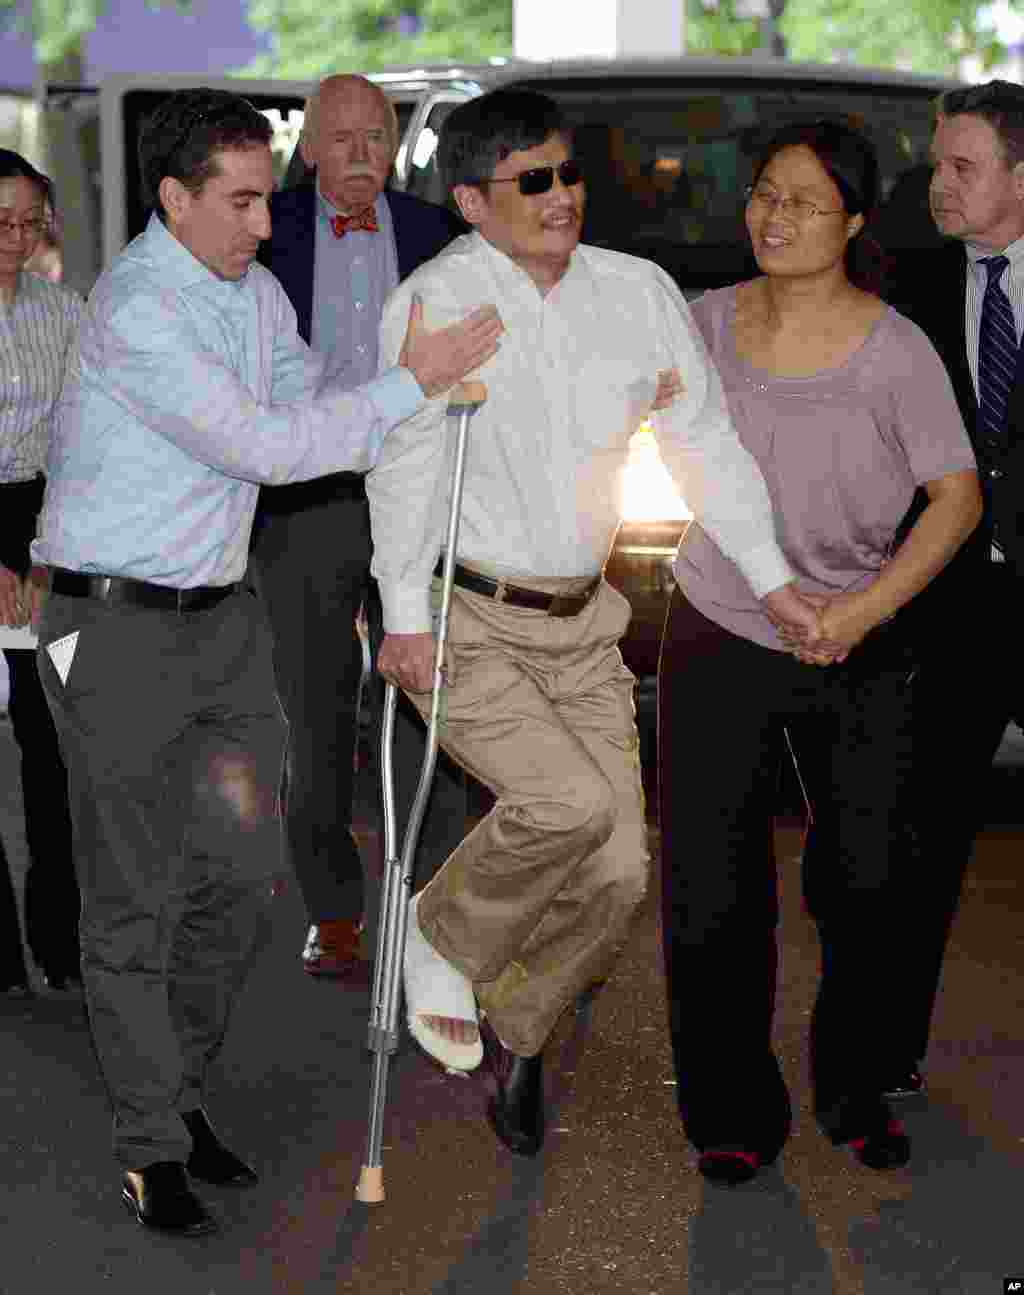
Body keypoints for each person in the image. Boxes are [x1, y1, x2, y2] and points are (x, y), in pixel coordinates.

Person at [32, 86, 501, 1238]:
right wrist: (412, 381)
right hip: (113, 628)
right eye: (240, 201)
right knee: (134, 895)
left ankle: (171, 1089)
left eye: (262, 196)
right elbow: (270, 446)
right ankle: (152, 1138)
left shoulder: (248, 289)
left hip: (221, 620)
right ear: (174, 197)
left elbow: (314, 401)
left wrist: (419, 392)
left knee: (243, 883)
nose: (262, 221)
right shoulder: (141, 308)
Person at [367, 88, 826, 1159]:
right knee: (564, 804)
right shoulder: (436, 302)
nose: (562, 195)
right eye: (533, 180)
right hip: (468, 614)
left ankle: (518, 1027)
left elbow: (705, 446)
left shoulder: (637, 292)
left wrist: (771, 582)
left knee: (619, 867)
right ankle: (435, 929)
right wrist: (401, 615)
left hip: (584, 622)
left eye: (569, 173)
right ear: (472, 201)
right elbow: (405, 464)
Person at [657, 120, 981, 1186]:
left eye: (803, 200)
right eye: (764, 193)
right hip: (722, 621)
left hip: (856, 633)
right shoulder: (702, 324)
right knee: (711, 881)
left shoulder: (896, 348)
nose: (775, 216)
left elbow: (955, 497)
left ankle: (852, 1086)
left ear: (852, 222)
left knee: (866, 877)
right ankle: (729, 1111)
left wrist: (862, 612)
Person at [251, 74, 467, 980]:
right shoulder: (264, 232)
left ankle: (435, 909)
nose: (359, 156)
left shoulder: (434, 234)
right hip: (306, 499)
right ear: (306, 150)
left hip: (414, 492)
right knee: (314, 714)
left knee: (430, 700)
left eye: (375, 138)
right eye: (340, 139)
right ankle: (334, 909)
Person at [877, 79, 1024, 1097]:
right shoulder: (907, 285)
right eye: (938, 164)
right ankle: (884, 1055)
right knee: (915, 844)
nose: (940, 184)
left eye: (964, 167)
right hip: (951, 610)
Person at [0, 149, 82, 996]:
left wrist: (43, 555)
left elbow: (82, 442)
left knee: (52, 740)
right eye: (0, 222)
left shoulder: (65, 312)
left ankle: (60, 938)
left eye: (30, 222)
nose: (17, 238)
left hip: (45, 523)